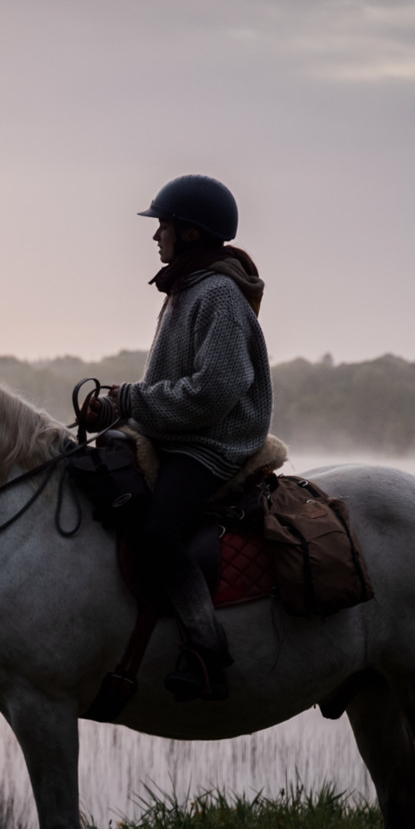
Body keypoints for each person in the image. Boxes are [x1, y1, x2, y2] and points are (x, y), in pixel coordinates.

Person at [82, 174, 272, 701]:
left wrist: (131, 401)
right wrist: (117, 408)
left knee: (158, 534)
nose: (155, 235)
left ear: (189, 233)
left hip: (211, 444)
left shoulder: (217, 296)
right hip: (178, 434)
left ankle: (207, 649)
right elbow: (175, 384)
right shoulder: (187, 288)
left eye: (162, 224)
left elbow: (214, 393)